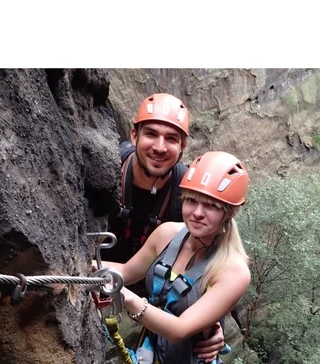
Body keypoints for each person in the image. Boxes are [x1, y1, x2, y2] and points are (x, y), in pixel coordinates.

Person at [99, 93, 225, 361]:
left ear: (183, 146)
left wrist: (215, 320)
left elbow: (216, 254)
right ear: (134, 135)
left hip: (154, 299)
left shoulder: (190, 195)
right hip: (103, 278)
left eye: (171, 139)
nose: (159, 147)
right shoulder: (106, 169)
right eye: (151, 134)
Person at [97, 151, 252, 364]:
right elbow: (127, 272)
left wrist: (128, 298)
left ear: (230, 212)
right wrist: (80, 266)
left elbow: (179, 330)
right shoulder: (167, 234)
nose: (197, 212)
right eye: (191, 200)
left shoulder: (233, 271)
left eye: (211, 205)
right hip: (150, 353)